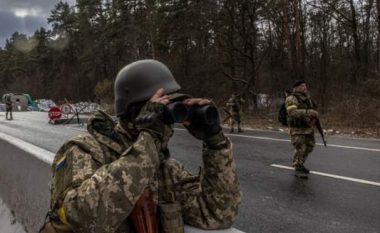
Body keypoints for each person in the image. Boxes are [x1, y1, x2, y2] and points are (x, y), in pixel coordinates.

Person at [40, 60, 241, 233]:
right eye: (162, 106)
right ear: (135, 111)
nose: (168, 121)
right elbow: (83, 218)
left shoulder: (165, 169)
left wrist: (215, 143)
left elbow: (217, 213)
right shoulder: (85, 151)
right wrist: (148, 141)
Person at [285, 80, 319, 178]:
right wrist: (309, 112)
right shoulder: (291, 98)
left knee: (310, 146)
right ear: (296, 88)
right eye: (302, 86)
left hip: (307, 127)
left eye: (305, 86)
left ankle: (300, 163)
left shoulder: (306, 98)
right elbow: (292, 112)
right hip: (297, 129)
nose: (305, 88)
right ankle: (297, 167)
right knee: (300, 148)